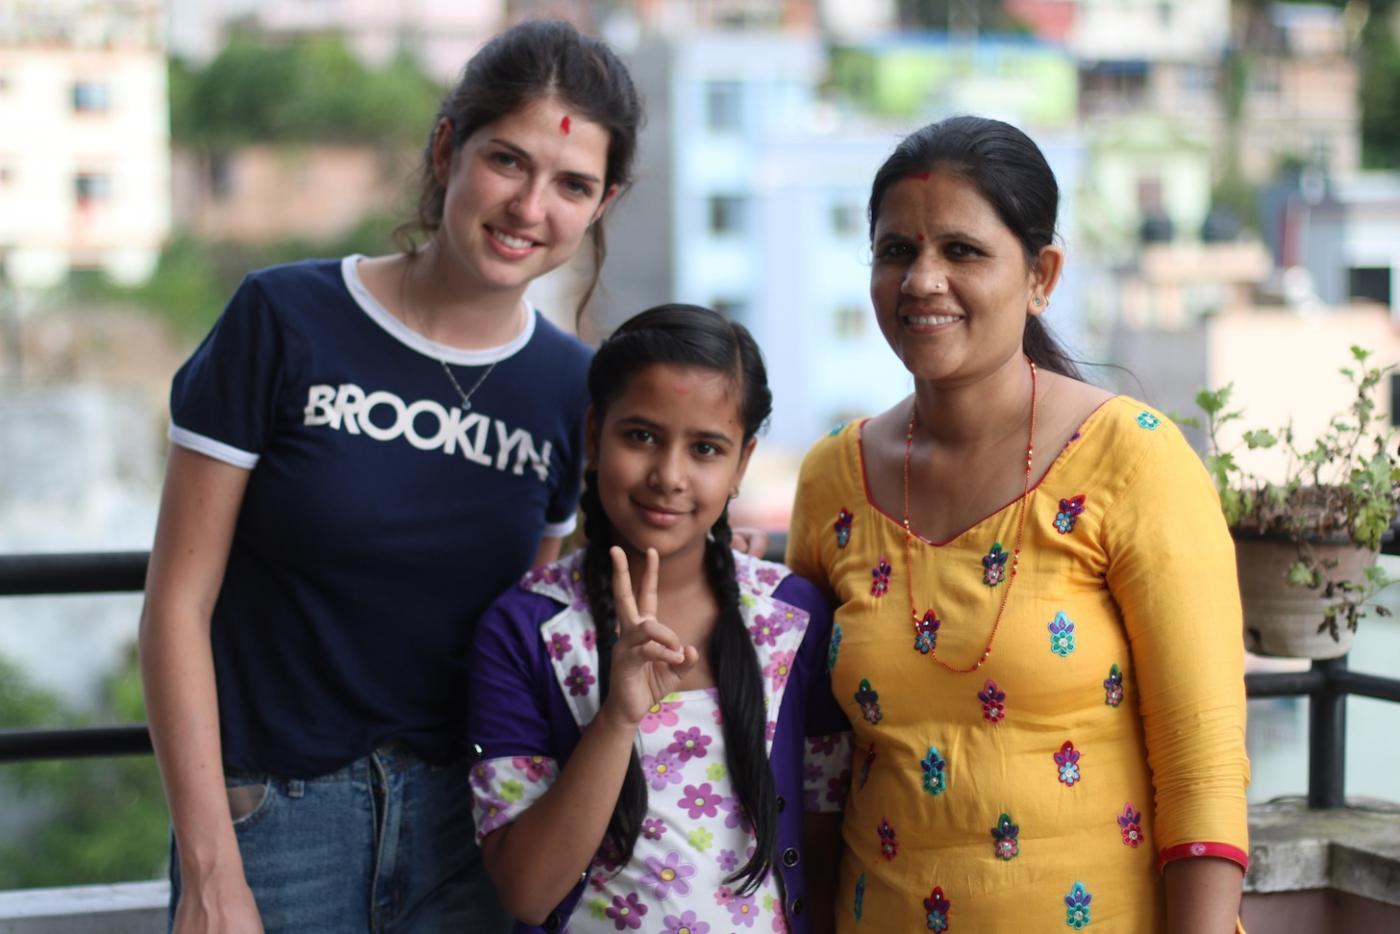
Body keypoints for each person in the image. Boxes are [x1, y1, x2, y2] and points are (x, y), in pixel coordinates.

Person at [138, 20, 642, 932]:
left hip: (467, 831)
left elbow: (520, 629)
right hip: (273, 826)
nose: (531, 206)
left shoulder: (571, 391)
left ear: (603, 203)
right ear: (449, 147)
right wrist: (213, 872)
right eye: (507, 161)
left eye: (571, 184)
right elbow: (177, 601)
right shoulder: (283, 319)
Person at [786, 116, 1251, 933]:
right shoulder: (834, 479)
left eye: (962, 251)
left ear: (1041, 276)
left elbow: (1202, 762)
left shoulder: (1132, 460)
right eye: (897, 251)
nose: (922, 280)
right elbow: (818, 754)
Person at [466, 305, 852, 933]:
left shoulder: (793, 619)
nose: (668, 476)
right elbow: (527, 892)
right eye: (640, 435)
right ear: (594, 436)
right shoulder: (525, 629)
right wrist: (617, 719)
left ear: (742, 464)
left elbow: (826, 840)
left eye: (705, 448)